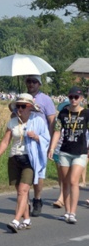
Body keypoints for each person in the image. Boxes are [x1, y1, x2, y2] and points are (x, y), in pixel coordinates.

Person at [0, 94, 49, 232]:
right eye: (18, 106)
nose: (20, 109)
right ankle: (26, 219)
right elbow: (5, 141)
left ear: (30, 107)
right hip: (15, 158)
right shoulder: (13, 122)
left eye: (23, 106)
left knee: (23, 190)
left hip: (30, 159)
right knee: (20, 192)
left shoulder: (38, 121)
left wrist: (36, 137)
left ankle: (16, 220)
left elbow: (46, 138)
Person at [48, 86, 89, 224]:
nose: (73, 100)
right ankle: (66, 212)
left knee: (73, 181)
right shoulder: (63, 113)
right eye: (71, 97)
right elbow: (58, 131)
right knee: (65, 182)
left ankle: (73, 212)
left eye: (76, 97)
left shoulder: (86, 114)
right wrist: (52, 148)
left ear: (81, 98)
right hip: (65, 151)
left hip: (80, 152)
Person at [25, 75, 56, 216]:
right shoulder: (23, 96)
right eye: (28, 81)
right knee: (24, 172)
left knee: (39, 171)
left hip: (40, 139)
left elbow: (51, 120)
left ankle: (37, 199)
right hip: (25, 138)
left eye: (34, 82)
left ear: (39, 84)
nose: (31, 84)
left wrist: (48, 141)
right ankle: (24, 203)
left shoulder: (45, 99)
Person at [52, 99, 70, 210]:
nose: (66, 110)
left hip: (70, 151)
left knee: (66, 176)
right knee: (60, 175)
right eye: (64, 108)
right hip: (58, 150)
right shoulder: (59, 121)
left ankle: (62, 197)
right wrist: (52, 148)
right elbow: (56, 133)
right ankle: (63, 194)